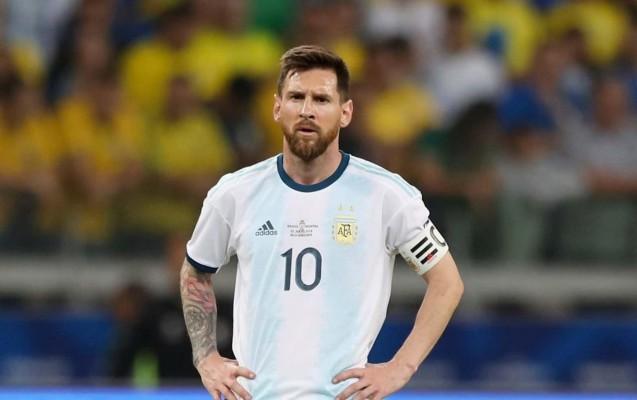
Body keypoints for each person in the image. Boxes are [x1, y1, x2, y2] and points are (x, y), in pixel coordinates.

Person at [180, 45, 464, 400]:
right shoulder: (235, 194)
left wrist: (401, 367)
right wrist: (205, 357)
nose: (307, 110)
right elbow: (195, 271)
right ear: (277, 108)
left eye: (321, 99)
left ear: (345, 112)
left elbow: (447, 283)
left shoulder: (386, 196)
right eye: (296, 97)